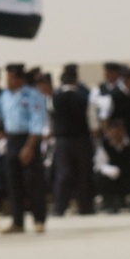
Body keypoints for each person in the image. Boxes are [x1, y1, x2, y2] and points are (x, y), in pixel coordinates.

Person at [0, 63, 49, 234]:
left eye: (10, 78)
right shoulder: (6, 96)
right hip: (11, 140)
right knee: (14, 183)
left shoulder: (33, 96)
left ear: (19, 79)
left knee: (32, 182)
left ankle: (39, 220)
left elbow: (37, 122)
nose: (7, 81)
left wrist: (29, 147)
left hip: (28, 140)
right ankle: (17, 221)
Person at [50, 64, 96, 215]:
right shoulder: (84, 96)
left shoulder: (55, 98)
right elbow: (92, 120)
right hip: (82, 139)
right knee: (83, 173)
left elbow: (51, 117)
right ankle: (86, 207)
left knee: (63, 174)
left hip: (63, 140)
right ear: (76, 80)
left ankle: (60, 207)